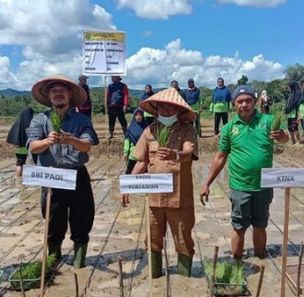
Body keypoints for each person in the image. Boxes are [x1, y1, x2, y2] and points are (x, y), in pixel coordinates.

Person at [200, 85, 289, 262]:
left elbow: (284, 138)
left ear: (255, 102)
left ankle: (260, 258)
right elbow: (220, 157)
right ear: (234, 104)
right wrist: (206, 183)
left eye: (248, 100)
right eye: (240, 101)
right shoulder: (229, 128)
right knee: (239, 227)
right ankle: (237, 262)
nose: (244, 104)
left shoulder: (268, 121)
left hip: (264, 186)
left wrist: (281, 136)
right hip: (240, 186)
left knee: (260, 226)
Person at [122, 88, 198, 278]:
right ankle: (155, 276)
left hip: (179, 198)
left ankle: (184, 280)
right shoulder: (149, 131)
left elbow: (189, 153)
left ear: (178, 109)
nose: (165, 110)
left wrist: (176, 154)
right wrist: (128, 185)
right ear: (155, 109)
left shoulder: (188, 129)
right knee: (153, 239)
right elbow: (142, 161)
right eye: (161, 106)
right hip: (154, 198)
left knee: (183, 239)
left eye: (170, 106)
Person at [27, 75, 99, 268]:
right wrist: (47, 141)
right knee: (53, 220)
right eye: (54, 91)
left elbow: (87, 145)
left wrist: (71, 140)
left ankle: (79, 261)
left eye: (62, 90)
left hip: (76, 174)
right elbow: (33, 146)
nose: (58, 94)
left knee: (82, 217)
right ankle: (54, 257)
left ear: (69, 95)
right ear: (49, 96)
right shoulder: (40, 120)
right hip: (52, 176)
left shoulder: (81, 119)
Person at [6, 106, 36, 177]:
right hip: (31, 146)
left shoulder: (17, 122)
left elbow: (12, 133)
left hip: (20, 146)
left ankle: (18, 179)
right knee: (35, 162)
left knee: (20, 163)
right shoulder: (32, 122)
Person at [123, 109, 147, 174]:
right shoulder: (130, 128)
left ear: (143, 116)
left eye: (140, 115)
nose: (138, 117)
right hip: (133, 155)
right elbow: (127, 141)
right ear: (134, 117)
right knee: (129, 173)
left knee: (144, 174)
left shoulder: (147, 128)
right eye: (136, 115)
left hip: (144, 156)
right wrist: (125, 153)